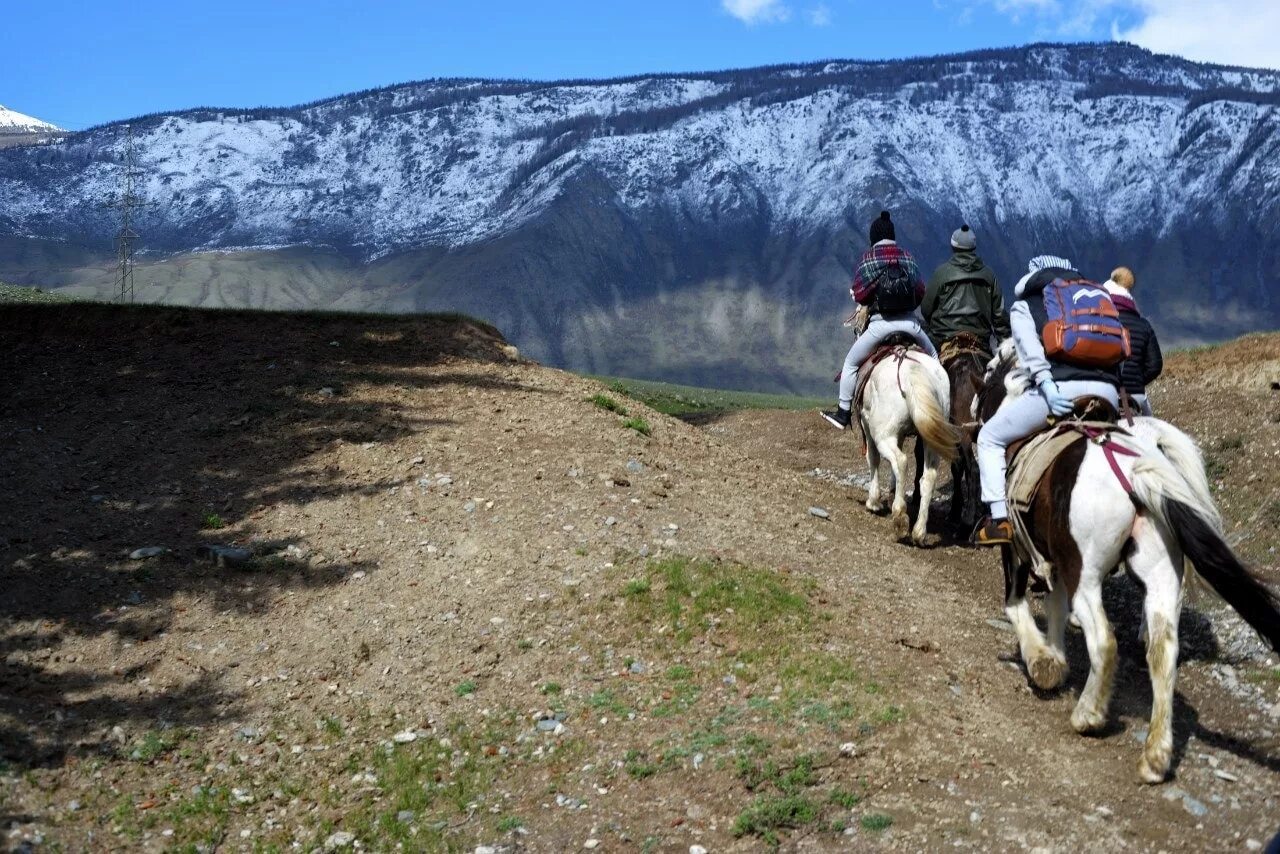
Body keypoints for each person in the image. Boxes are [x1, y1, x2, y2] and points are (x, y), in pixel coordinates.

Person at [973, 255, 1122, 546]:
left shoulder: (1027, 305)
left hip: (1061, 391)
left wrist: (1047, 386)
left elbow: (1030, 354)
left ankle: (999, 520)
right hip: (1107, 393)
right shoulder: (1095, 297)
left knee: (989, 437)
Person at [822, 211, 937, 430]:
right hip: (911, 326)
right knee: (934, 357)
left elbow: (859, 294)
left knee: (850, 364)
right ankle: (943, 408)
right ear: (893, 235)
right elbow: (920, 292)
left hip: (879, 326)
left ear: (873, 237)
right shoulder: (907, 257)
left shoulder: (869, 259)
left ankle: (843, 413)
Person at [921, 224, 1011, 352]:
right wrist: (1005, 344)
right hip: (980, 340)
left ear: (953, 247)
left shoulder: (941, 274)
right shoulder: (989, 275)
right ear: (973, 247)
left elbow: (926, 309)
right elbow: (999, 316)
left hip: (943, 338)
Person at [1103, 266, 1162, 416]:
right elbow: (1155, 365)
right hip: (1137, 396)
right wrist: (1137, 381)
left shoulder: (1100, 322)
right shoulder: (1143, 324)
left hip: (1107, 395)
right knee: (1154, 427)